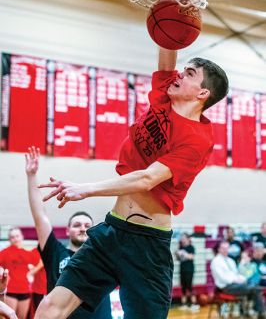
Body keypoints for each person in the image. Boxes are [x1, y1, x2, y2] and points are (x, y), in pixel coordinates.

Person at [34, 46, 229, 319]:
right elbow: (167, 41)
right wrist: (170, 3)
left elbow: (147, 178)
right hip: (111, 232)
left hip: (147, 246)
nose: (179, 75)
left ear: (202, 93)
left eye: (189, 73)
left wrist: (85, 189)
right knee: (49, 308)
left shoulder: (198, 140)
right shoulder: (165, 94)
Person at [25, 147, 112, 319]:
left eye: (87, 225)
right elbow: (40, 216)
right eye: (77, 224)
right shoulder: (55, 252)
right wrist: (31, 176)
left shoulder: (102, 255)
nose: (82, 228)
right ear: (67, 230)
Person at [211, 241, 265, 318]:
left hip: (237, 285)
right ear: (218, 249)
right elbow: (223, 278)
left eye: (227, 248)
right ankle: (259, 312)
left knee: (254, 286)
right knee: (254, 288)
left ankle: (253, 311)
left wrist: (242, 279)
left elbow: (237, 274)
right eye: (223, 248)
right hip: (226, 287)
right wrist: (235, 279)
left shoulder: (230, 260)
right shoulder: (216, 261)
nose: (225, 250)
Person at [0, 228, 35, 319]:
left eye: (17, 236)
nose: (15, 239)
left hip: (25, 290)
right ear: (9, 239)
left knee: (22, 317)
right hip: (11, 290)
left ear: (22, 237)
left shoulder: (27, 253)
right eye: (12, 237)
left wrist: (32, 272)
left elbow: (41, 262)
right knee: (10, 317)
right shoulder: (4, 253)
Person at [175, 233, 199, 312]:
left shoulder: (191, 247)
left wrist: (184, 254)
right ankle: (184, 304)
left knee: (189, 286)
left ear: (188, 239)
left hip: (189, 269)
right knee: (183, 287)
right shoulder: (181, 247)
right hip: (182, 269)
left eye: (184, 238)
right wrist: (177, 254)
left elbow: (191, 257)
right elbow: (179, 259)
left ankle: (194, 304)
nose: (182, 239)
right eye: (182, 238)